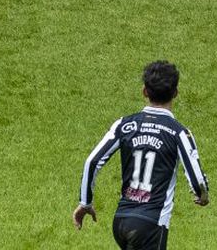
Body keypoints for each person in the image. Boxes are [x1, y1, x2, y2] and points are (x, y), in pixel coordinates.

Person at [74, 61, 209, 249]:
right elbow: (197, 179)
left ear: (144, 91)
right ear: (176, 93)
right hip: (150, 225)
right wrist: (202, 195)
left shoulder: (124, 124)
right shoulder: (179, 133)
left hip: (121, 222)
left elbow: (92, 161)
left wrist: (85, 202)